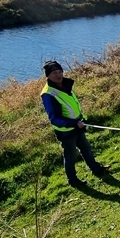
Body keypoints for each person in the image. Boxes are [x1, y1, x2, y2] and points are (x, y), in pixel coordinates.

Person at [40, 60, 105, 188]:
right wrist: (74, 123)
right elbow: (54, 119)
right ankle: (73, 180)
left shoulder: (66, 85)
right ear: (48, 76)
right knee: (70, 156)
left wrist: (81, 120)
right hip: (66, 131)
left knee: (86, 148)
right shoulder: (48, 94)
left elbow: (73, 105)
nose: (58, 75)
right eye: (54, 73)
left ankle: (96, 169)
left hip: (77, 126)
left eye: (60, 71)